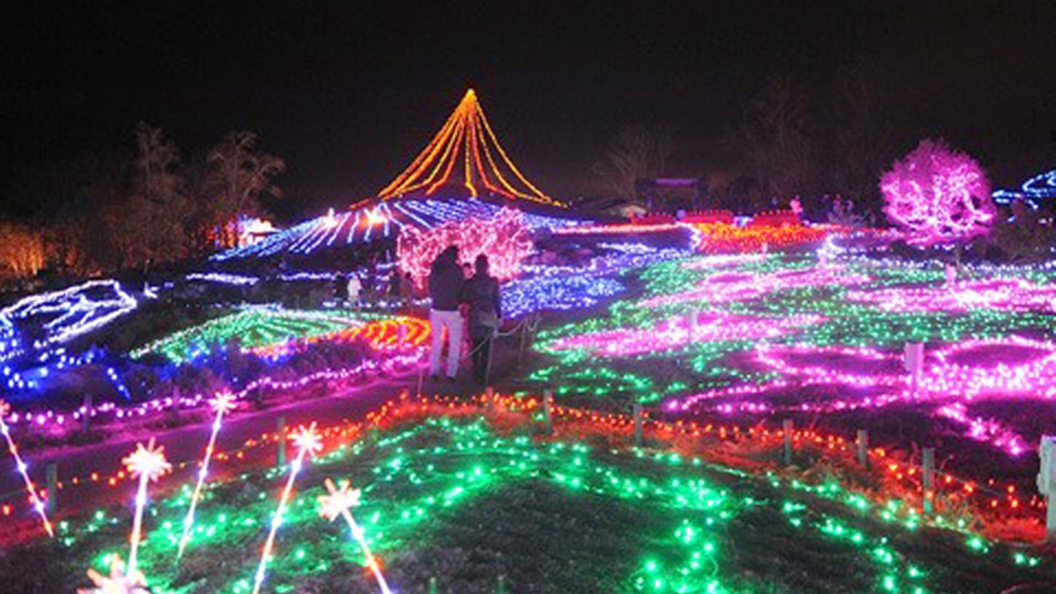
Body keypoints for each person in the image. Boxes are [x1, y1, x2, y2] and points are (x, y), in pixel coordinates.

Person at [461, 255, 502, 384]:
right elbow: (497, 300)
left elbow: (464, 297)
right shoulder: (493, 282)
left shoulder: (469, 283)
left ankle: (476, 374)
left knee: (475, 346)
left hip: (475, 315)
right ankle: (483, 377)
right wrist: (499, 315)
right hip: (488, 314)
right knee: (486, 347)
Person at [427, 245, 465, 381]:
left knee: (436, 341)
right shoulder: (456, 270)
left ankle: (433, 371)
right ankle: (451, 373)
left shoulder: (435, 268)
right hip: (452, 309)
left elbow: (430, 287)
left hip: (436, 308)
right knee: (455, 342)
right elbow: (461, 289)